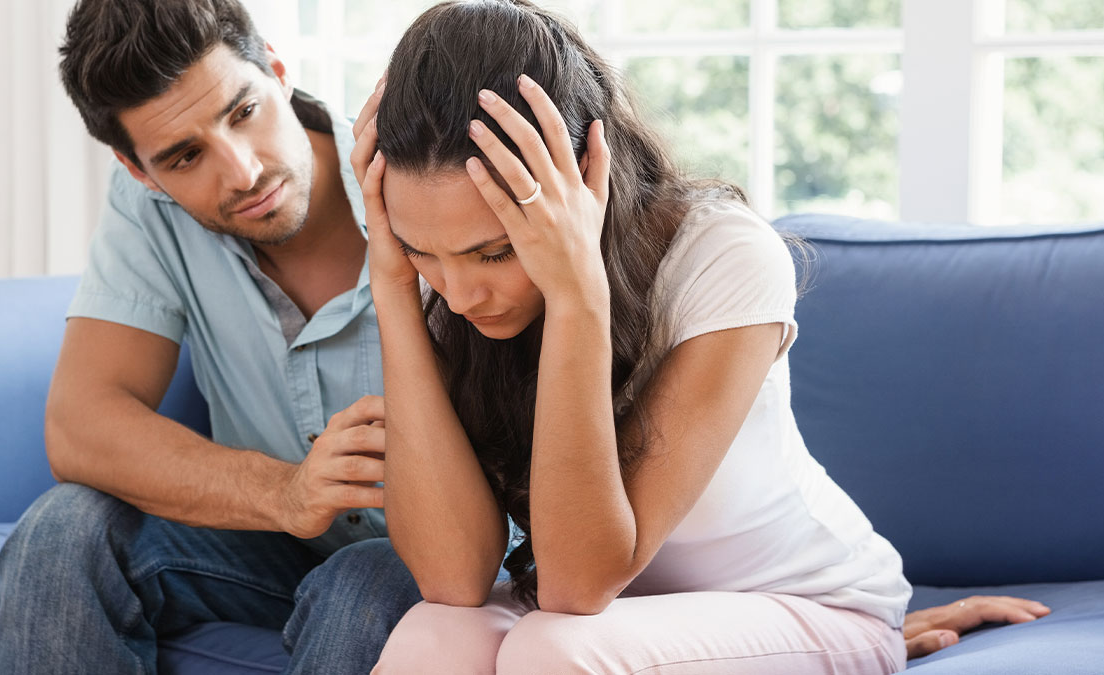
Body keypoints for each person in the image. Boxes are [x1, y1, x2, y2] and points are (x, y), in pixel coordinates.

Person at [348, 1, 1050, 673]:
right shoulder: (440, 285)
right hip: (613, 626)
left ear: (586, 180)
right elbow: (452, 579)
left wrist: (576, 293)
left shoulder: (725, 256)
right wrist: (394, 291)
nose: (460, 293)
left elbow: (575, 585)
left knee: (552, 651)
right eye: (420, 250)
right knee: (434, 636)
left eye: (496, 252)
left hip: (801, 603)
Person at [0, 1, 422, 672]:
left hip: (445, 556)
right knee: (64, 528)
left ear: (276, 70)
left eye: (243, 112)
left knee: (363, 579)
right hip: (279, 549)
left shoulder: (421, 177)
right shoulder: (148, 208)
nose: (243, 172)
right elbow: (81, 425)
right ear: (140, 170)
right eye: (186, 156)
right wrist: (284, 492)